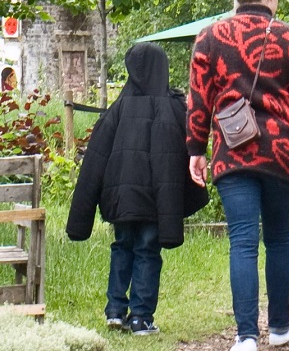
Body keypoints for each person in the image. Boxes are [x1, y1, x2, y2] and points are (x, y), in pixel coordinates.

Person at [187, 0, 289, 351]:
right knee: (280, 238)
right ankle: (281, 326)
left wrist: (195, 151)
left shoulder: (209, 38)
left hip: (233, 152)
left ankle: (245, 336)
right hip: (282, 153)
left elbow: (199, 100)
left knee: (243, 242)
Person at [65, 42, 208, 336]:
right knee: (147, 251)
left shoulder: (117, 110)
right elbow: (189, 152)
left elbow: (94, 161)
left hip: (121, 200)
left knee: (121, 247)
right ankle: (141, 317)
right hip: (156, 200)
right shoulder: (174, 108)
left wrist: (82, 214)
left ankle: (115, 310)